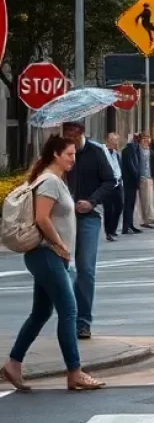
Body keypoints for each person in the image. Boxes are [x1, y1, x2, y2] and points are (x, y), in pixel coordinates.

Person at [1, 134, 106, 392]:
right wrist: (60, 245)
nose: (73, 158)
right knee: (69, 311)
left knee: (41, 313)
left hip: (48, 256)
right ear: (56, 154)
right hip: (47, 255)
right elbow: (42, 218)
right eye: (69, 154)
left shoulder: (54, 179)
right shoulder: (49, 181)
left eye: (73, 154)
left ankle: (14, 363)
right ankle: (75, 371)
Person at [61, 121, 116, 340]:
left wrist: (91, 202)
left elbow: (110, 181)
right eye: (66, 134)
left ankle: (83, 322)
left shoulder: (96, 152)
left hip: (88, 216)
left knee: (85, 269)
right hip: (62, 216)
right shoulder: (59, 152)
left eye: (74, 135)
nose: (70, 139)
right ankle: (66, 318)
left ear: (82, 133)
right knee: (61, 268)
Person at [102, 132, 123, 243]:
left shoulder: (116, 153)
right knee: (108, 209)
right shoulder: (102, 151)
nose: (116, 142)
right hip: (107, 184)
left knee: (119, 206)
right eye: (114, 140)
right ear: (108, 140)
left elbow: (119, 167)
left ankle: (113, 229)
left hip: (118, 183)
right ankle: (108, 232)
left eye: (117, 140)